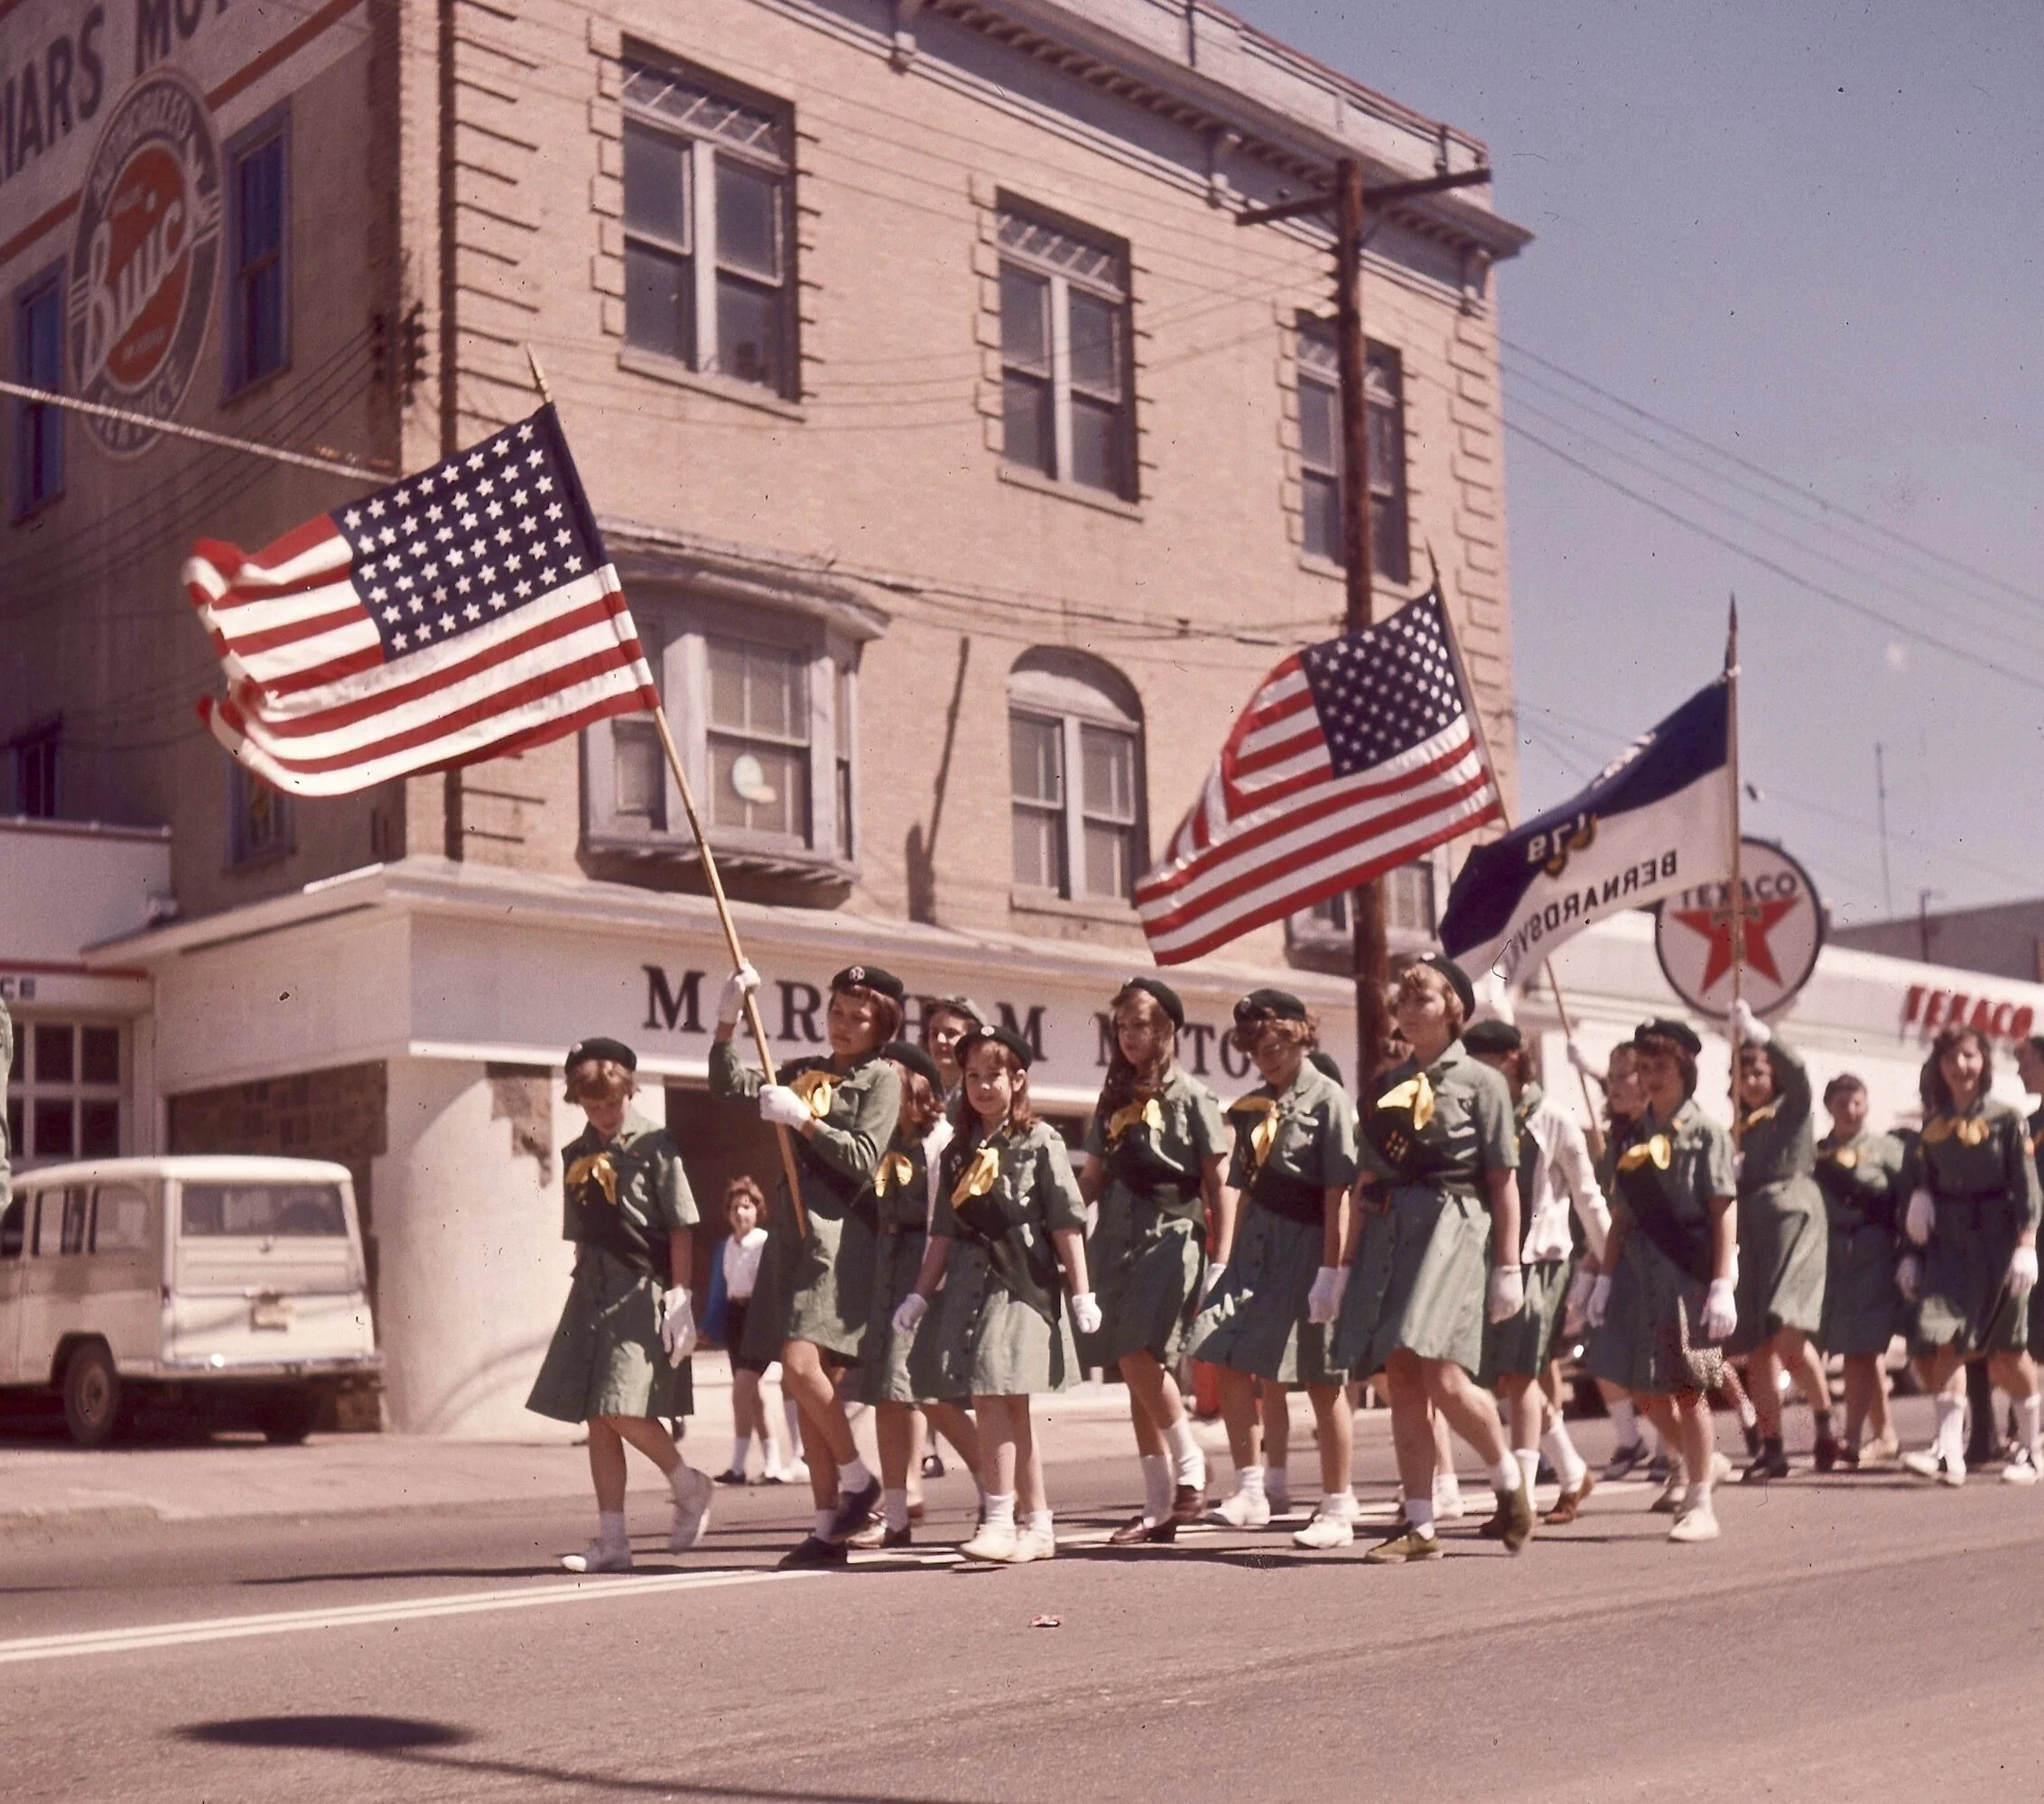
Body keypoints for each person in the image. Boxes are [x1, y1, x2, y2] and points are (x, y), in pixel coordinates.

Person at [1329, 956, 1532, 1562]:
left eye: (1424, 999)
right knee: (1402, 1375)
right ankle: (1419, 1526)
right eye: (1405, 1000)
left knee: (1443, 1374)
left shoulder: (1482, 1083)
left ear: (1455, 1011)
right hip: (1394, 1233)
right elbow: (1367, 1179)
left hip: (1454, 1227)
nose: (1410, 1009)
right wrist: (1339, 1268)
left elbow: (1502, 1181)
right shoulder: (1388, 1088)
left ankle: (1507, 1483)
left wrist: (1508, 1265)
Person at [711, 962, 903, 1567]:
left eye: (859, 1017)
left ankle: (857, 1480)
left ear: (882, 1025)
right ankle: (827, 1530)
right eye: (837, 1012)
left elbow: (863, 1156)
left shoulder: (883, 1079)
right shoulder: (799, 1071)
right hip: (791, 1236)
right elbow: (727, 1084)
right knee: (803, 1381)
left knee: (799, 1364)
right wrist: (727, 1019)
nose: (843, 1025)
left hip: (840, 1236)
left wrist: (803, 1119)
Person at [894, 1025, 1096, 1564]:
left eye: (994, 1076)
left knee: (992, 1389)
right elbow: (943, 1231)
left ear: (1018, 1080)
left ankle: (1002, 1519)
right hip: (971, 1286)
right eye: (973, 1076)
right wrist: (919, 1294)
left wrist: (1082, 1292)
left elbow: (1065, 1223)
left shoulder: (1041, 1141)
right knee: (1009, 1403)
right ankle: (1039, 1523)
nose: (982, 1087)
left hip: (1021, 1284)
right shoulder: (957, 1153)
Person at [526, 1037, 714, 1573]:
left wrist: (680, 1297)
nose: (605, 1114)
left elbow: (680, 1224)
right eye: (593, 1106)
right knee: (599, 1418)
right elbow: (583, 1234)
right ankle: (613, 1540)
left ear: (629, 1091)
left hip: (645, 1289)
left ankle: (689, 1485)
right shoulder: (577, 1156)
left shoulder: (656, 1144)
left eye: (613, 1102)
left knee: (621, 1405)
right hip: (593, 1292)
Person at [1187, 990, 1358, 1547]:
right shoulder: (1251, 1107)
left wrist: (1332, 1271)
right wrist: (1223, 1260)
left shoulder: (1328, 1099)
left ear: (1301, 1035)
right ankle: (1251, 1489)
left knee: (1321, 1378)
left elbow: (1339, 1192)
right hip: (1256, 1251)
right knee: (1227, 1353)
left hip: (1308, 1247)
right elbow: (1237, 1186)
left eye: (1277, 1043)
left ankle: (1336, 1505)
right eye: (1257, 1049)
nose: (1269, 1057)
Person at [1080, 977, 1232, 1546]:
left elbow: (1219, 1180)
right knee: (1136, 1375)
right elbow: (1091, 1177)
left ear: (1165, 1030)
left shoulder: (1192, 1096)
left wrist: (1223, 1256)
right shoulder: (1111, 1097)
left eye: (1138, 1025)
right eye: (1120, 1026)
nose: (1127, 1036)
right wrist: (1055, 1218)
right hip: (1115, 1237)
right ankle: (1157, 1505)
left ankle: (1192, 1465)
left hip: (1172, 1234)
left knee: (1137, 1352)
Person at [1583, 1019, 1738, 1543]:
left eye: (1660, 1067)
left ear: (1685, 1070)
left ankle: (1700, 1502)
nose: (1650, 1077)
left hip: (1688, 1271)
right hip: (1639, 1275)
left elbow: (1721, 1210)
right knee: (1644, 1391)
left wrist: (1722, 1283)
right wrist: (1604, 1279)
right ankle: (1703, 1460)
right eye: (1644, 1067)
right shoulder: (1633, 1135)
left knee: (1687, 1388)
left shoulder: (1706, 1132)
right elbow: (1622, 1216)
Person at [1463, 1019, 1610, 1525]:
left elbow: (1587, 1194)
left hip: (1541, 1262)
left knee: (1520, 1376)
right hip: (1495, 1260)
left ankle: (1518, 1497)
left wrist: (1608, 1262)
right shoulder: (1479, 1116)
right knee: (1505, 1378)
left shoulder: (1551, 1117)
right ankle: (1572, 1472)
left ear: (1513, 1061)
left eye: (1486, 1064)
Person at [1898, 1024, 2043, 1486]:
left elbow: (2025, 1185)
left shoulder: (2005, 1118)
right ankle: (1949, 1454)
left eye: (1970, 1057)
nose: (1961, 1066)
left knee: (2005, 1356)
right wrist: (1920, 1201)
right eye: (1951, 1059)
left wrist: (2026, 1244)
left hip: (1998, 1243)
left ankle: (2034, 1447)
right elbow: (1922, 1173)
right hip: (1951, 1246)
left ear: (1983, 1063)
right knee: (1946, 1339)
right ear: (1939, 1067)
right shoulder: (1933, 1124)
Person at [850, 1041, 981, 1548]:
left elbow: (942, 1222)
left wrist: (931, 1288)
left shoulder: (940, 1141)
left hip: (927, 1276)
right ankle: (898, 1515)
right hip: (886, 1275)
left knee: (932, 1396)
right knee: (889, 1395)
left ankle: (997, 1490)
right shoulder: (882, 1139)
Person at [1724, 1000, 1835, 1480]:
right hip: (1753, 1230)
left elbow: (1802, 1073)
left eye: (1759, 1071)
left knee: (1788, 1336)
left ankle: (1826, 1426)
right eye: (1742, 1071)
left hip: (1795, 1224)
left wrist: (1763, 1035)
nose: (1750, 1080)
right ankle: (1773, 1447)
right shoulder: (1737, 1130)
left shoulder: (1792, 1112)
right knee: (1759, 1346)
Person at [1574, 1041, 1658, 1481]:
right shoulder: (1616, 1140)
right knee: (1604, 1352)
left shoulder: (1658, 1130)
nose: (1612, 1084)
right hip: (1619, 1258)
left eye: (1621, 1074)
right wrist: (1591, 1271)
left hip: (1658, 1258)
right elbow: (1610, 1210)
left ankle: (1674, 1450)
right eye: (1609, 1074)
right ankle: (1630, 1440)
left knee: (1659, 1360)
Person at [1813, 1074, 1904, 1466]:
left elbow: (1907, 1195)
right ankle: (1885, 1435)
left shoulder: (1887, 1149)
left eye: (1857, 1102)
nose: (1850, 1110)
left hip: (1875, 1251)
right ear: (1828, 1106)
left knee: (1860, 1349)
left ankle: (1850, 1438)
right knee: (1861, 1349)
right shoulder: (1815, 1154)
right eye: (1842, 1103)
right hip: (1833, 1256)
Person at [711, 1177, 785, 1483]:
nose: (740, 1213)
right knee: (752, 1396)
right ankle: (772, 1464)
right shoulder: (728, 1245)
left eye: (747, 1206)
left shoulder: (764, 1242)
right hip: (735, 1318)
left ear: (757, 1210)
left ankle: (738, 1467)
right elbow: (723, 1286)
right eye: (735, 1208)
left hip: (759, 1317)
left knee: (741, 1391)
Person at [921, 996, 985, 1100]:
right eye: (934, 1033)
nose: (940, 1040)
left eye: (951, 1033)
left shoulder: (984, 1095)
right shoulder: (918, 1092)